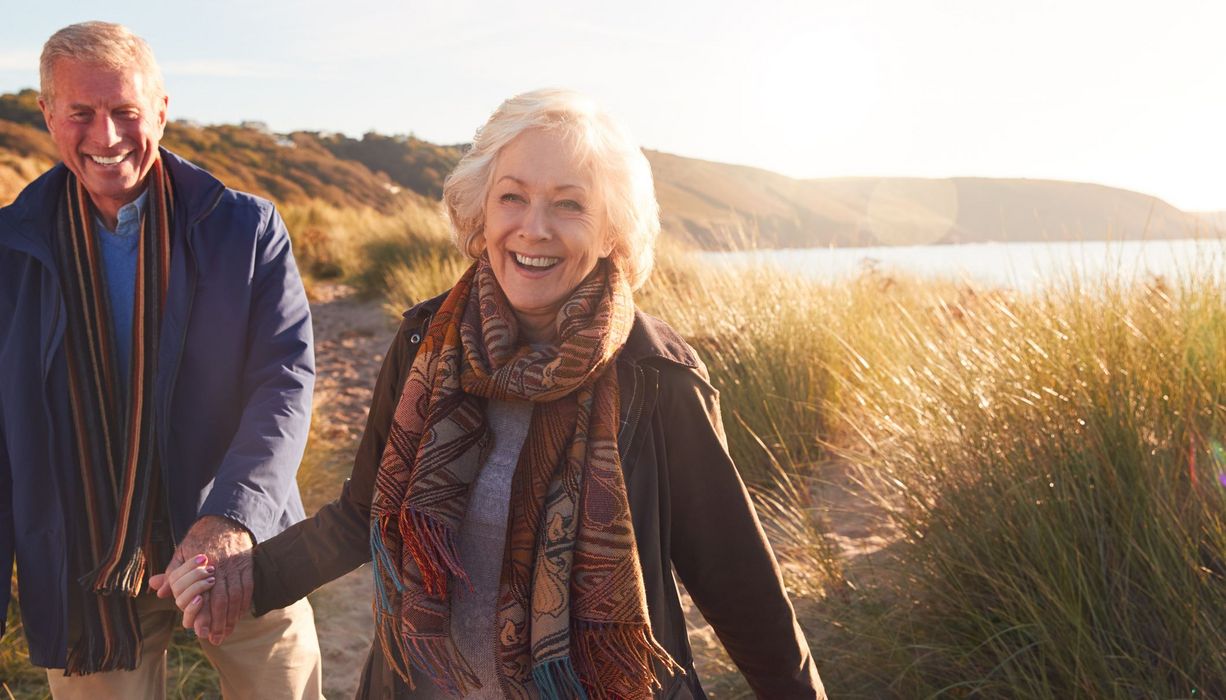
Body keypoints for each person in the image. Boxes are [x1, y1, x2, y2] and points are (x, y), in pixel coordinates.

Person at [160, 88, 826, 698]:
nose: (533, 227)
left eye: (570, 203)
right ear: (482, 210)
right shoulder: (426, 344)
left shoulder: (655, 376)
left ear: (611, 231)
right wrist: (240, 578)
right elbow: (362, 514)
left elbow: (739, 585)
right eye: (513, 196)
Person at [0, 21, 323, 699]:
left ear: (163, 112)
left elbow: (284, 385)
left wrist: (233, 519)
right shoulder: (8, 248)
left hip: (236, 542)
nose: (106, 136)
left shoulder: (246, 229)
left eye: (126, 113)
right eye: (81, 114)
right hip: (84, 563)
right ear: (46, 115)